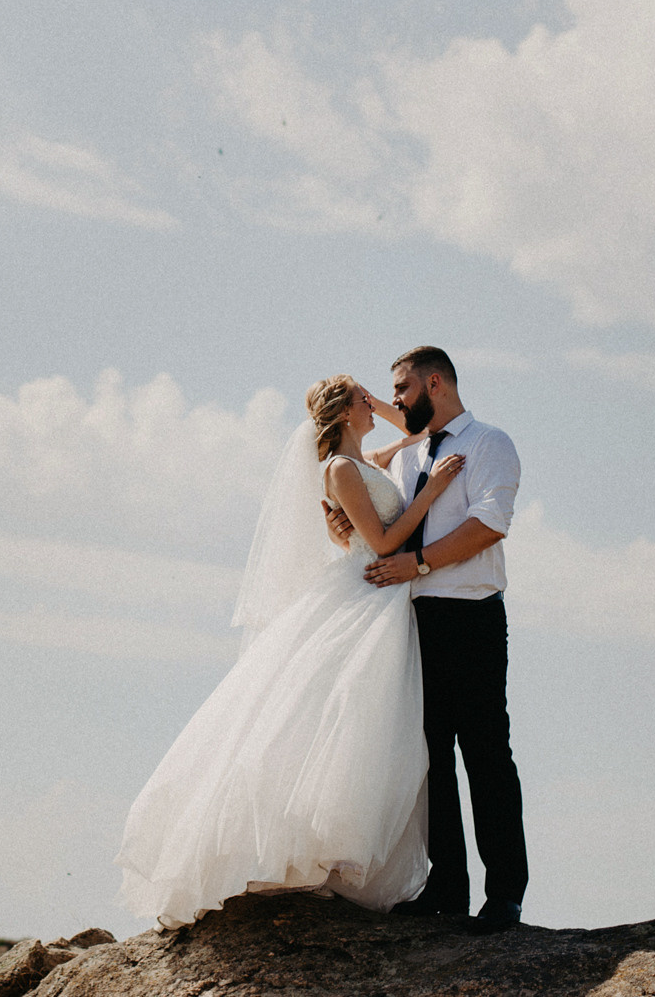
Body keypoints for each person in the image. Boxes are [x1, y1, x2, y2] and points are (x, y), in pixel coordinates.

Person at [115, 375, 464, 928]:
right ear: (345, 412)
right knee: (343, 715)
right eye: (364, 399)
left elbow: (416, 433)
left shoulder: (367, 461)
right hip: (368, 589)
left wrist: (377, 407)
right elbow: (382, 542)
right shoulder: (341, 468)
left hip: (384, 596)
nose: (374, 404)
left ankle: (341, 860)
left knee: (370, 723)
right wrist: (432, 491)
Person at [327, 346, 526, 934]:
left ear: (434, 383)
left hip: (471, 617)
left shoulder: (491, 443)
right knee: (429, 758)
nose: (393, 400)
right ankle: (447, 887)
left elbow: (488, 525)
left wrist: (416, 563)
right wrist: (346, 530)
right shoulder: (409, 457)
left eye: (402, 389)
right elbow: (385, 530)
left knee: (486, 753)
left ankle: (504, 895)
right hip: (412, 622)